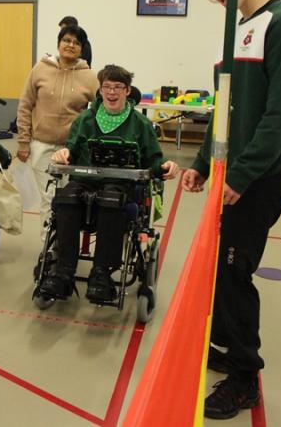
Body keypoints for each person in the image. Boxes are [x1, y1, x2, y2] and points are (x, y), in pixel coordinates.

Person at [182, 0, 281, 420]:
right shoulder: (244, 29)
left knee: (237, 275)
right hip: (232, 175)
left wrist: (241, 173)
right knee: (222, 270)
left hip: (256, 181)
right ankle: (229, 347)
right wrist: (201, 161)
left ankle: (244, 379)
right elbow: (227, 106)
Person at [40, 65, 178, 302]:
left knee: (111, 200)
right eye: (107, 87)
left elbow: (154, 160)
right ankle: (63, 272)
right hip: (84, 182)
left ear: (127, 90)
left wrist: (166, 166)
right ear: (100, 90)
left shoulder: (140, 124)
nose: (112, 92)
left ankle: (101, 274)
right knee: (66, 196)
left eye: (118, 87)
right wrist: (63, 154)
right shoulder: (85, 119)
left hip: (120, 186)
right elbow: (71, 150)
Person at [16, 25, 98, 238]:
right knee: (48, 198)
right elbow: (25, 105)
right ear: (59, 43)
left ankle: (66, 244)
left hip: (73, 151)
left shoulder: (90, 77)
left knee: (69, 199)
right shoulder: (40, 69)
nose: (71, 45)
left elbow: (100, 111)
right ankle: (50, 246)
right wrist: (23, 141)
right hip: (42, 146)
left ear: (82, 48)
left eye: (76, 43)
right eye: (67, 40)